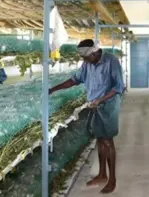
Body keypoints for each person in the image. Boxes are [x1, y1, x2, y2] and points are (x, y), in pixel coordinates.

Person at [49, 39, 124, 194]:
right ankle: (102, 174)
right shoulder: (87, 64)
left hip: (108, 106)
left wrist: (100, 100)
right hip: (94, 106)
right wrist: (53, 89)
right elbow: (74, 80)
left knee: (108, 141)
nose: (85, 61)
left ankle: (112, 180)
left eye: (87, 57)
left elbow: (118, 86)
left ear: (95, 52)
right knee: (99, 139)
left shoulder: (111, 61)